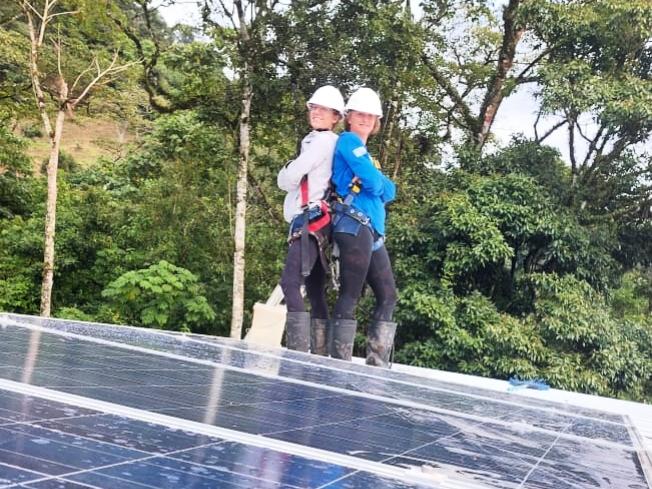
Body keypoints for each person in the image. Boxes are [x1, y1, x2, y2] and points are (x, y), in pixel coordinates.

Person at [330, 87, 397, 367]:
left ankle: (376, 364)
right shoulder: (347, 141)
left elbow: (389, 191)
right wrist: (378, 183)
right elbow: (372, 183)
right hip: (354, 223)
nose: (366, 119)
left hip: (372, 232)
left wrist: (378, 182)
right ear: (349, 117)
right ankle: (336, 364)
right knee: (350, 293)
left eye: (371, 115)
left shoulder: (368, 156)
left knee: (388, 295)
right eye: (360, 114)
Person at [277, 85, 345, 354]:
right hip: (317, 220)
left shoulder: (323, 142)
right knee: (315, 288)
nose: (316, 112)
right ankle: (318, 354)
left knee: (290, 283)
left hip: (310, 220)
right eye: (314, 107)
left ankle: (299, 353)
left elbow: (289, 178)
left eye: (323, 109)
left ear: (335, 117)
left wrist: (284, 172)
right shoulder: (318, 141)